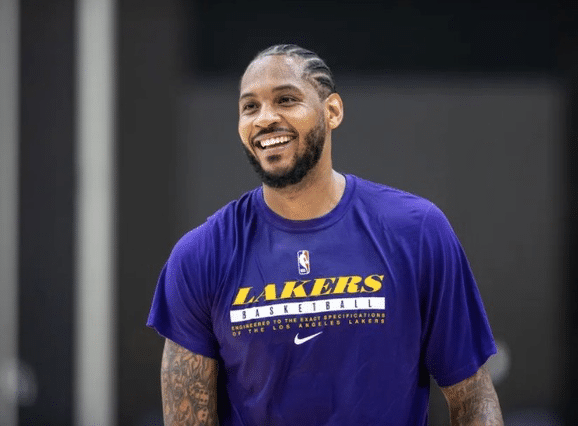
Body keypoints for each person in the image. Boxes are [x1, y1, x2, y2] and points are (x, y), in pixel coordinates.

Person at [148, 44, 504, 426]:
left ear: (332, 111)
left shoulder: (417, 231)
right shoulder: (201, 255)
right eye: (250, 106)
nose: (265, 118)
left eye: (286, 100)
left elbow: (473, 399)